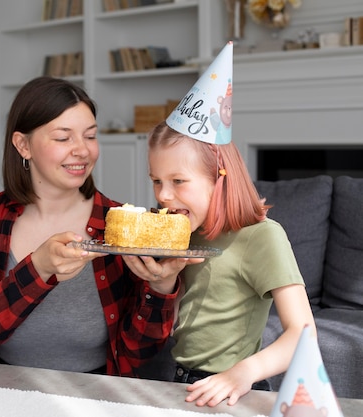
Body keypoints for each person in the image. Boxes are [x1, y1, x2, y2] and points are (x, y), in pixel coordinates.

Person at [0, 76, 199, 377]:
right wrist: (37, 269)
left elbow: (140, 352)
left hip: (95, 390)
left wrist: (159, 288)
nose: (82, 150)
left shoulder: (121, 224)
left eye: (90, 136)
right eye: (63, 138)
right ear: (23, 145)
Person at [147, 42, 315, 407]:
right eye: (156, 181)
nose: (162, 195)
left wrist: (244, 373)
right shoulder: (185, 232)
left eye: (178, 181)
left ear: (219, 177)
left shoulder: (261, 237)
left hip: (235, 389)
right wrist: (162, 281)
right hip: (178, 383)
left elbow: (304, 334)